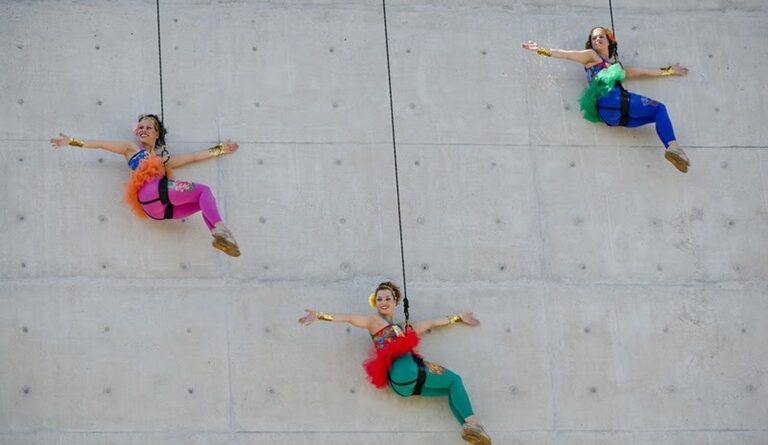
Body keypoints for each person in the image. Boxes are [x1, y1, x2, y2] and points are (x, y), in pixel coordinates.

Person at [298, 281, 492, 445]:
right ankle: (474, 425)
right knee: (455, 380)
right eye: (379, 299)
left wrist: (458, 318)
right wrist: (320, 316)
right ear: (375, 303)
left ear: (395, 302)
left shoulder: (404, 327)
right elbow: (350, 318)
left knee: (449, 390)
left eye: (387, 298)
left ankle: (470, 431)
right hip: (405, 369)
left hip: (400, 386)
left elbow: (432, 323)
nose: (383, 302)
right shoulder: (374, 321)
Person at [50, 114, 241, 256]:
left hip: (157, 211)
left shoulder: (164, 160)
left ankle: (220, 237)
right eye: (140, 127)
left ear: (157, 133)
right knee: (204, 191)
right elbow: (101, 144)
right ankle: (222, 229)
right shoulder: (131, 149)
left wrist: (221, 149)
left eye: (149, 127)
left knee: (202, 202)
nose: (143, 129)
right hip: (150, 192)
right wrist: (72, 142)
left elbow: (193, 157)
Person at [522, 26, 691, 173]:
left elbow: (643, 71)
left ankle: (672, 150)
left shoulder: (617, 68)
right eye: (594, 38)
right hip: (612, 100)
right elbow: (567, 55)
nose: (597, 40)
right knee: (659, 108)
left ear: (609, 41)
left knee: (656, 115)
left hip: (610, 116)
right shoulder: (591, 56)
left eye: (601, 36)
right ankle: (674, 147)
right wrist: (540, 49)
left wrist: (670, 70)